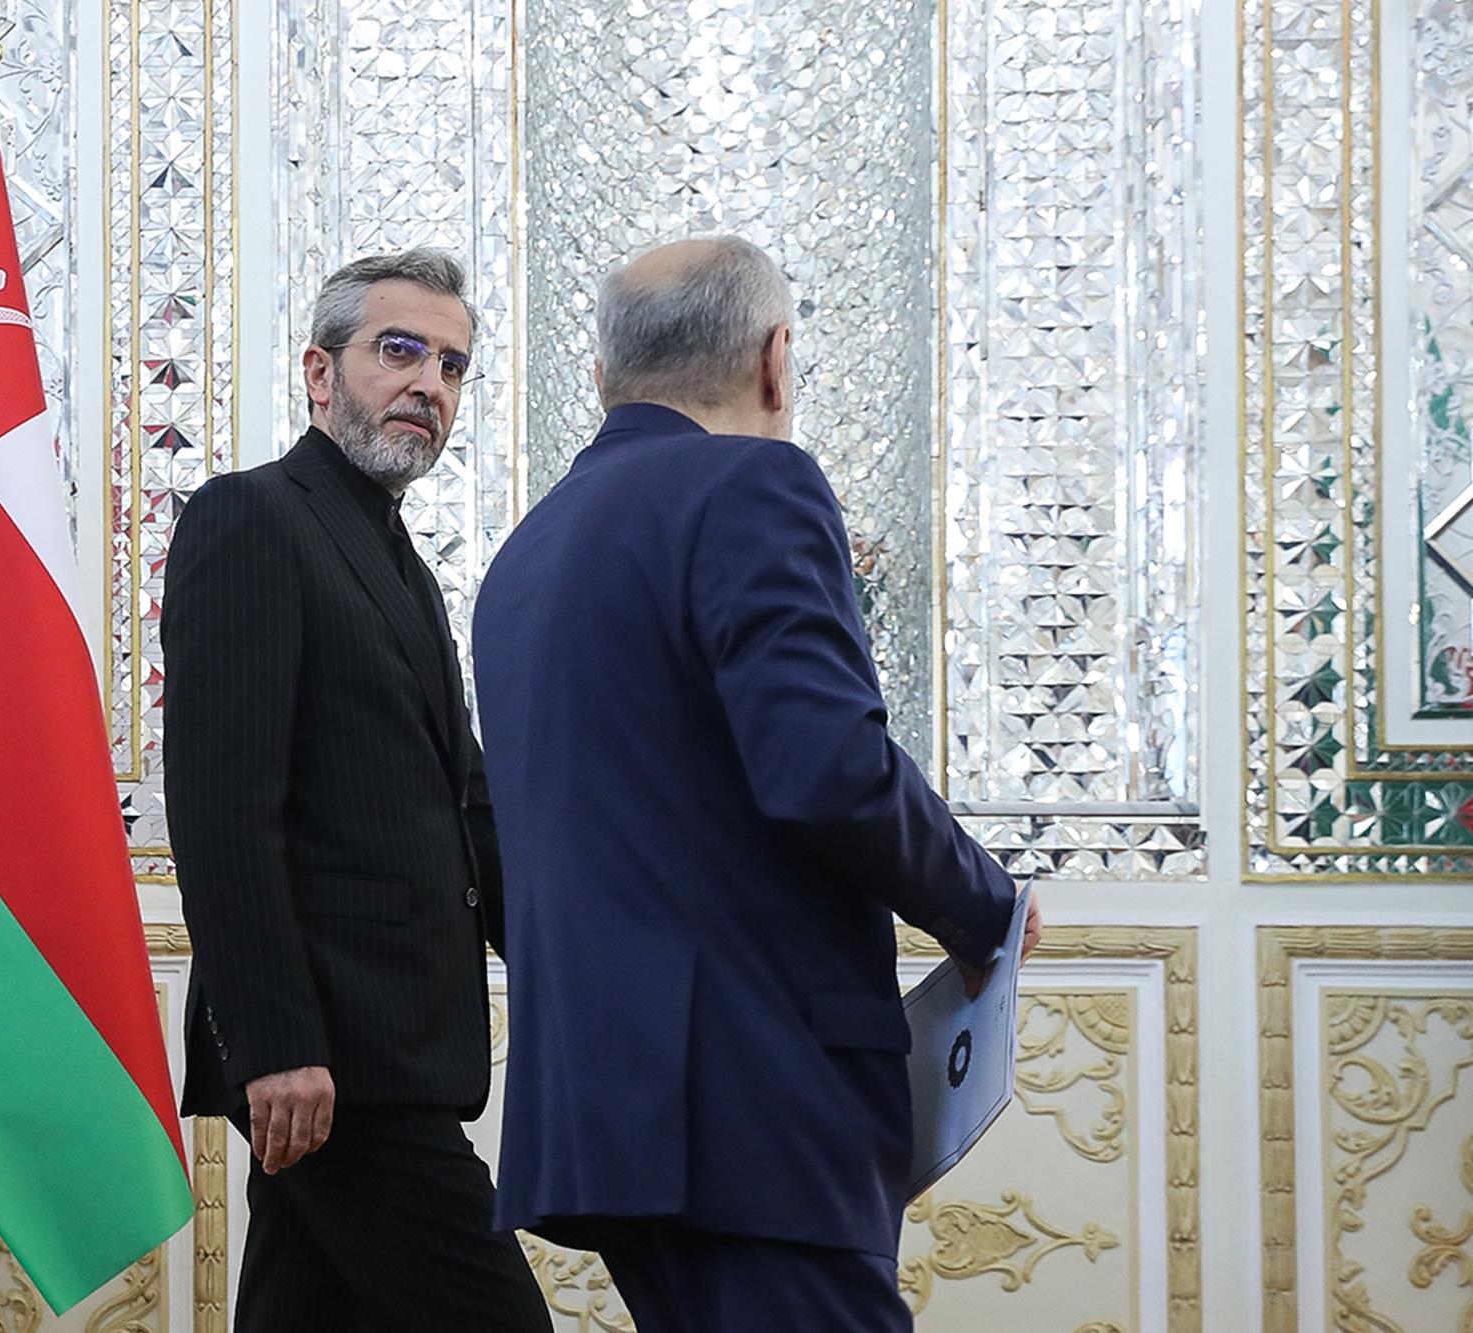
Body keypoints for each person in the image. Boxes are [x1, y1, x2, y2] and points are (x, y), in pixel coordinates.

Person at [470, 236, 1042, 1333]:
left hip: (605, 1108)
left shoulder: (527, 553)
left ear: (604, 377)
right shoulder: (752, 483)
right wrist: (985, 910)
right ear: (776, 359)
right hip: (752, 1095)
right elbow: (827, 768)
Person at [161, 248, 550, 1332]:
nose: (429, 384)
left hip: (398, 1049)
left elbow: (466, 803)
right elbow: (222, 812)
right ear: (320, 372)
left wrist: (577, 963)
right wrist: (276, 1042)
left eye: (452, 366)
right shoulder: (250, 518)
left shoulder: (399, 561)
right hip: (334, 1053)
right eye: (400, 351)